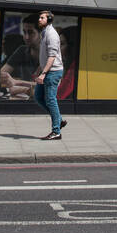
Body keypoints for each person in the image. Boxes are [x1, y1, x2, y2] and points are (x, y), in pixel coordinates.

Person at [33, 9, 68, 140]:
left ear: (49, 20)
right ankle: (59, 120)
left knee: (51, 100)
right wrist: (39, 70)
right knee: (38, 97)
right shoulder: (44, 33)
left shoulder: (52, 35)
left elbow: (52, 57)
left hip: (52, 72)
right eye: (39, 17)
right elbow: (45, 55)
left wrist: (43, 74)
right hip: (47, 71)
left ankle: (56, 131)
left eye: (42, 18)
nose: (39, 20)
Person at [0, 13, 42, 99]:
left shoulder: (51, 55)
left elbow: (49, 86)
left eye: (30, 33)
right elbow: (1, 75)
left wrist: (16, 82)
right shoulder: (22, 50)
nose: (26, 37)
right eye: (24, 32)